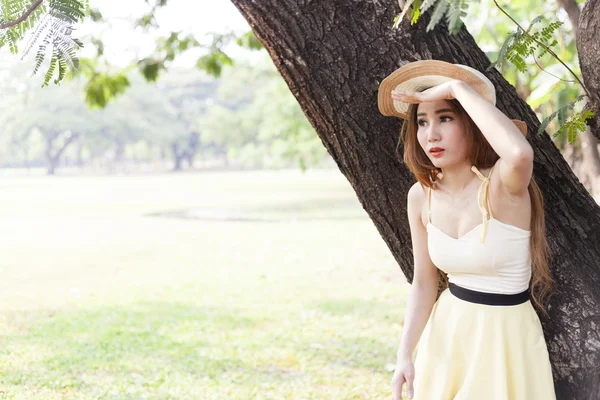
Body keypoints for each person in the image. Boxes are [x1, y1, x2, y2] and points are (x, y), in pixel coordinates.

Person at [377, 60, 557, 400]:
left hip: (505, 339)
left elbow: (520, 153)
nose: (431, 134)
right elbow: (425, 281)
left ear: (472, 123)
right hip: (449, 331)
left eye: (445, 117)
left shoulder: (504, 185)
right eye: (422, 121)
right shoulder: (421, 196)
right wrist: (405, 354)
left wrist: (456, 88)